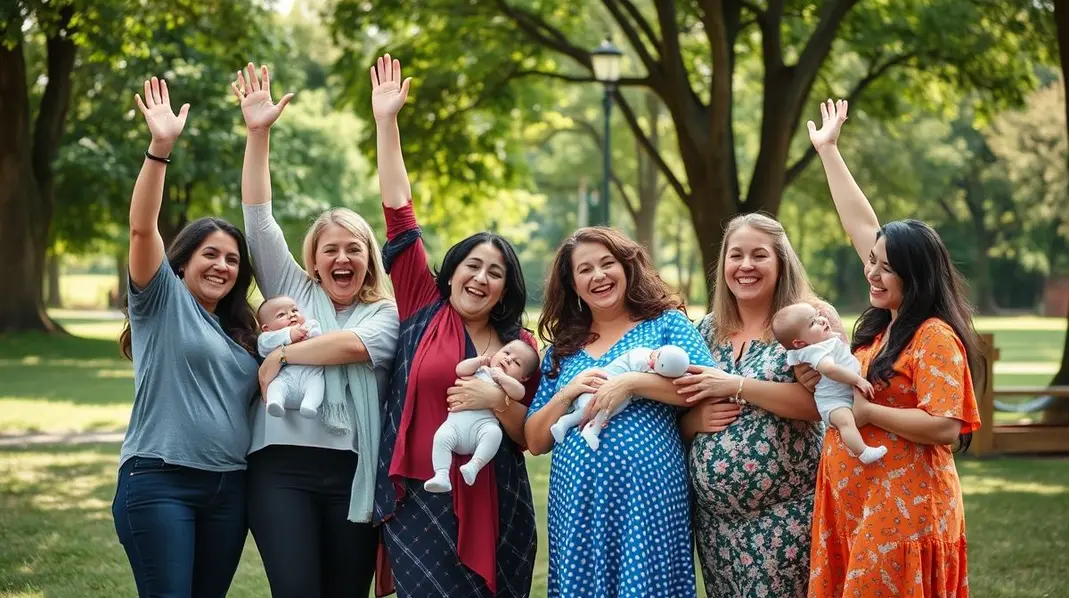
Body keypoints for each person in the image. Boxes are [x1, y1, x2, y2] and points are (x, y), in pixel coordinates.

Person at [370, 54, 540, 598]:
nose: (481, 278)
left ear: (506, 288)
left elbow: (530, 437)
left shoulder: (522, 346)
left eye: (495, 272)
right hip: (422, 497)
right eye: (473, 265)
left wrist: (497, 400)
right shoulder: (422, 302)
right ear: (451, 272)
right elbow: (399, 212)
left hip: (498, 498)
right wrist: (387, 122)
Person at [234, 62, 400, 598]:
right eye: (331, 249)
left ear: (369, 258)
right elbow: (258, 220)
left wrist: (282, 354)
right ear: (314, 258)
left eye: (354, 249)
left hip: (354, 474)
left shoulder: (384, 313)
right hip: (279, 470)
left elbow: (352, 347)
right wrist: (257, 134)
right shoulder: (292, 289)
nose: (342, 258)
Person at [806, 98, 983, 596]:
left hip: (903, 511)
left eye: (886, 267)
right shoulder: (884, 327)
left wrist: (867, 413)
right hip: (858, 505)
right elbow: (862, 226)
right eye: (872, 262)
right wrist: (829, 152)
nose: (872, 272)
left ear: (915, 275)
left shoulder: (933, 336)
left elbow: (945, 426)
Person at [112, 76, 259, 597]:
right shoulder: (162, 300)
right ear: (183, 262)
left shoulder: (244, 330)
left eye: (232, 260)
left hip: (229, 490)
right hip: (160, 480)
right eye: (210, 254)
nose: (222, 266)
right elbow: (141, 228)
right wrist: (160, 149)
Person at [525, 227, 715, 598]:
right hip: (577, 502)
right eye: (585, 269)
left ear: (627, 267)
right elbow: (535, 441)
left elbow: (705, 385)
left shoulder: (666, 324)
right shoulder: (563, 349)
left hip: (648, 497)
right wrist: (567, 393)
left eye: (607, 263)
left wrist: (632, 383)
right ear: (573, 284)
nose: (598, 275)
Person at [676, 212, 832, 597]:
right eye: (736, 255)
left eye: (759, 255)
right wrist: (693, 422)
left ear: (781, 263)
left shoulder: (807, 322)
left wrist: (738, 385)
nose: (746, 265)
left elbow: (823, 404)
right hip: (716, 526)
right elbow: (680, 406)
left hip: (785, 518)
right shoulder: (706, 329)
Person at [771, 302, 886, 464]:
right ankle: (862, 452)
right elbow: (830, 369)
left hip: (842, 395)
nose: (822, 320)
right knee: (846, 423)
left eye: (818, 316)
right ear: (800, 343)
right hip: (833, 402)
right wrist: (858, 380)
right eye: (813, 323)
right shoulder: (814, 352)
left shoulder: (821, 341)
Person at [425, 340, 540, 493]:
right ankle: (441, 475)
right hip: (455, 425)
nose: (508, 359)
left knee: (494, 434)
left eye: (516, 363)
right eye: (506, 353)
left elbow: (520, 393)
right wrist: (478, 361)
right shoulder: (481, 369)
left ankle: (474, 466)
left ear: (524, 378)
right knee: (441, 437)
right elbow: (460, 369)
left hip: (482, 427)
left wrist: (502, 378)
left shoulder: (510, 384)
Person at [549, 344, 691, 450]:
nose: (652, 362)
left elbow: (692, 389)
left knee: (598, 408)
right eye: (656, 357)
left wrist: (633, 384)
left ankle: (575, 425)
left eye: (658, 366)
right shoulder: (641, 357)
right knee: (600, 405)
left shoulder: (670, 323)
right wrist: (566, 394)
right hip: (599, 385)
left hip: (649, 465)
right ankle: (587, 427)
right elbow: (537, 444)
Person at [256, 296, 325, 419]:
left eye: (294, 310)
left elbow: (320, 339)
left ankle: (310, 405)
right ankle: (275, 402)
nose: (291, 315)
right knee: (276, 386)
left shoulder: (307, 326)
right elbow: (264, 346)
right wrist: (289, 334)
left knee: (317, 384)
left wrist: (311, 333)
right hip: (285, 378)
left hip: (310, 375)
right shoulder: (267, 338)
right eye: (281, 314)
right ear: (267, 328)